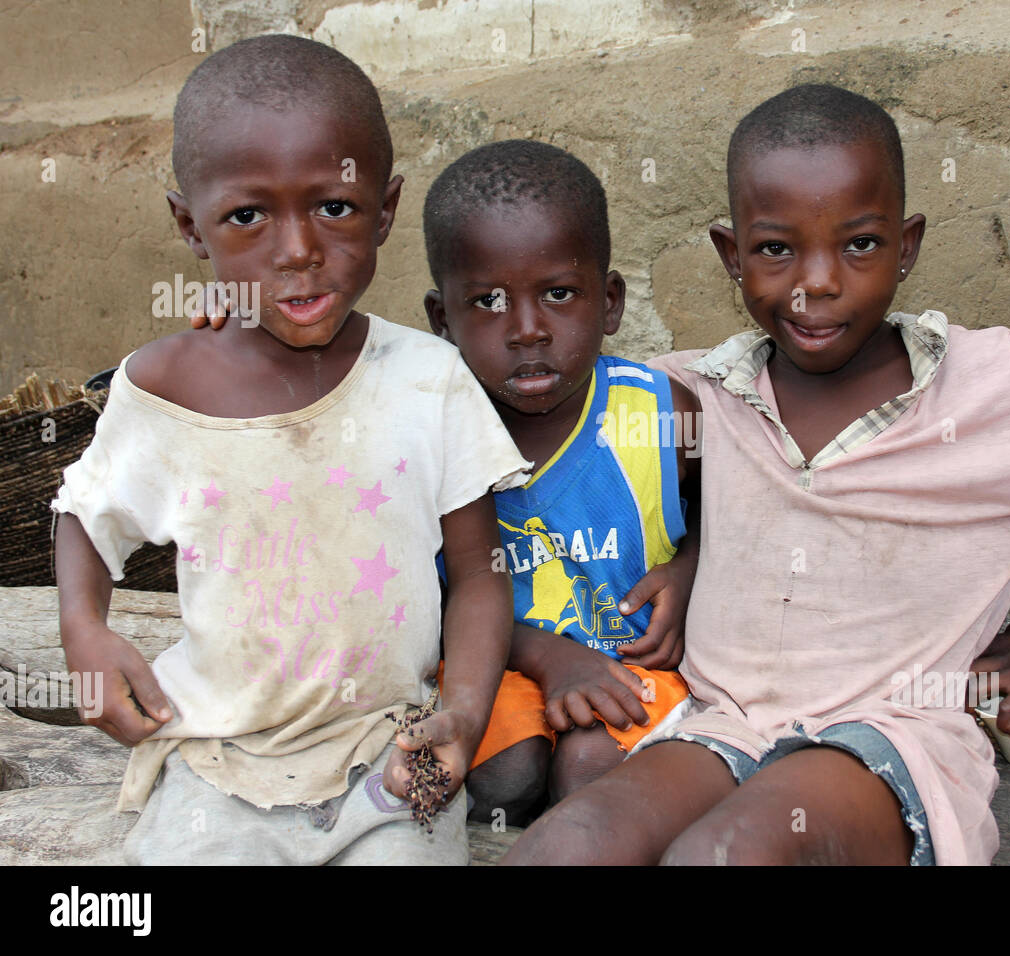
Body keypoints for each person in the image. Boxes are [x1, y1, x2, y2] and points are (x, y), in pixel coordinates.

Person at [503, 83, 1010, 865]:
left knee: (726, 853)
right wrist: (693, 562)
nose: (819, 281)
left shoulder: (990, 386)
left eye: (859, 244)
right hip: (715, 726)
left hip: (889, 742)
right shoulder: (702, 391)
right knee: (565, 846)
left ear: (907, 246)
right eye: (776, 249)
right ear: (732, 257)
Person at [52, 34, 529, 865]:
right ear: (188, 226)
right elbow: (85, 517)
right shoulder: (166, 387)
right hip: (214, 759)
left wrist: (463, 711)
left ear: (384, 207)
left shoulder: (428, 379)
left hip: (390, 753)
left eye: (334, 207)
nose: (299, 249)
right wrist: (83, 633)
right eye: (247, 216)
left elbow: (481, 579)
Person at [199, 139, 703, 823]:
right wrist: (549, 657)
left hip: (632, 668)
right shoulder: (426, 429)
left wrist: (688, 569)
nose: (527, 330)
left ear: (608, 302)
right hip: (489, 669)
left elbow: (734, 520)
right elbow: (434, 596)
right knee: (504, 776)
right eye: (489, 303)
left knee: (591, 767)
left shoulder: (659, 414)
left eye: (559, 294)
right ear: (443, 320)